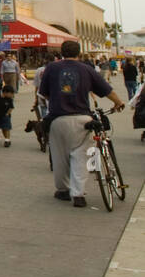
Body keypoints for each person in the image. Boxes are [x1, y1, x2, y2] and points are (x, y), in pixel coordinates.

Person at [39, 40, 126, 207]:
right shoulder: (87, 69)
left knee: (59, 156)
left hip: (58, 119)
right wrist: (118, 102)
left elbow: (44, 94)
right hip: (82, 119)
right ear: (78, 52)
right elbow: (107, 90)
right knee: (81, 156)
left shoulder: (51, 68)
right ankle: (78, 194)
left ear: (61, 52)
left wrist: (58, 100)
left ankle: (63, 190)